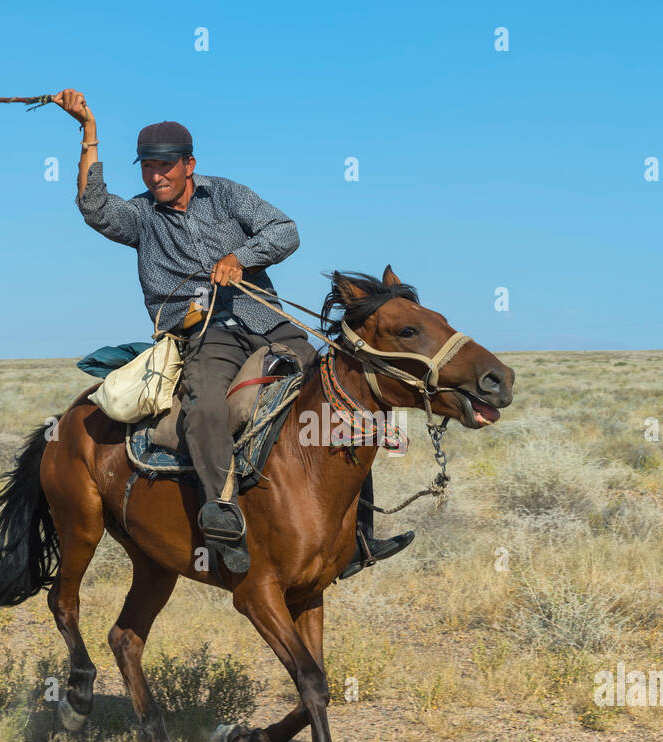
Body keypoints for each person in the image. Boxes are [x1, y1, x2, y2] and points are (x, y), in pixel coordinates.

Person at [54, 89, 412, 578]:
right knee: (205, 407)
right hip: (204, 335)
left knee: (339, 394)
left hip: (265, 320)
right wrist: (89, 135)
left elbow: (286, 230)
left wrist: (239, 258)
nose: (155, 176)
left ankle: (359, 535)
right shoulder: (140, 216)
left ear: (188, 164)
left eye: (164, 166)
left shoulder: (225, 194)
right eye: (147, 167)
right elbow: (94, 208)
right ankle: (221, 513)